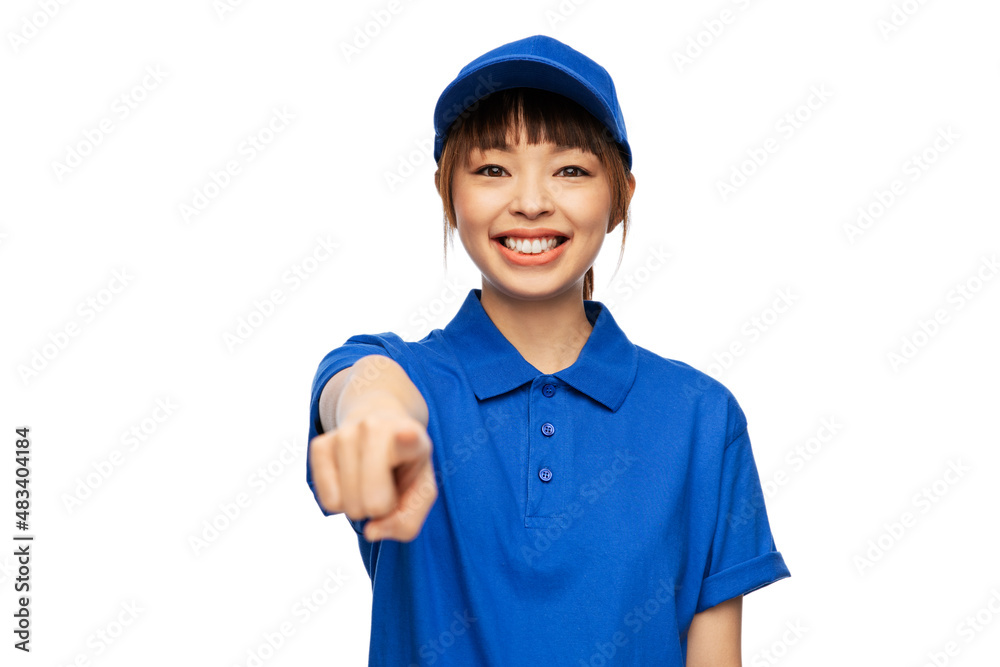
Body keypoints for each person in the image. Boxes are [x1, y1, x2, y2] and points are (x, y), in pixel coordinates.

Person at [306, 34, 790, 666]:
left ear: (619, 197)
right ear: (446, 194)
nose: (530, 202)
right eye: (491, 169)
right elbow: (358, 385)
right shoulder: (409, 378)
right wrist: (376, 418)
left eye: (570, 170)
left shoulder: (701, 417)